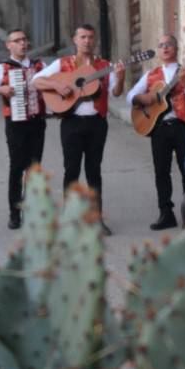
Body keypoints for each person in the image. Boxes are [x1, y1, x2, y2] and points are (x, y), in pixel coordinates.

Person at [33, 23, 126, 236]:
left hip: (96, 123)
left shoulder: (104, 65)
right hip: (71, 123)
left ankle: (97, 218)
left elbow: (117, 93)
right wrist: (57, 86)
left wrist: (120, 77)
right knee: (71, 170)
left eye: (90, 37)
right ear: (75, 40)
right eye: (83, 37)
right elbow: (36, 81)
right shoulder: (62, 63)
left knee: (94, 171)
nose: (87, 41)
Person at [126, 34, 185, 230]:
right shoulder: (151, 75)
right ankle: (165, 214)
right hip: (159, 128)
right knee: (161, 171)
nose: (165, 48)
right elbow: (131, 96)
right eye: (161, 45)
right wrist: (145, 99)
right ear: (158, 51)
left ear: (176, 49)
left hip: (183, 125)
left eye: (169, 44)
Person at [0, 28, 47, 229]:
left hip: (37, 121)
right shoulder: (2, 68)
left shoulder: (40, 66)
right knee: (17, 167)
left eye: (24, 40)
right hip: (15, 124)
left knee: (34, 168)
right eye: (17, 41)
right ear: (8, 45)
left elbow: (54, 85)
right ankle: (14, 213)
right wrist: (0, 90)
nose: (22, 44)